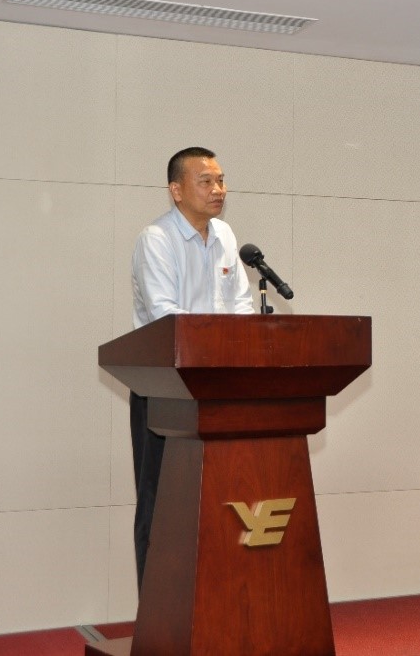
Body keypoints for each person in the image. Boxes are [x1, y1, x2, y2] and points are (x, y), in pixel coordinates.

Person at [129, 146, 255, 588]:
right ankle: (158, 611)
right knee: (162, 503)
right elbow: (167, 318)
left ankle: (212, 602)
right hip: (165, 389)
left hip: (219, 387)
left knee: (218, 500)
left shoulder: (225, 236)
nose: (218, 189)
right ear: (176, 190)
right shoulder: (156, 239)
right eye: (206, 181)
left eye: (221, 180)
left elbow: (241, 306)